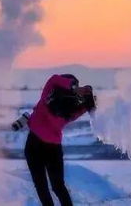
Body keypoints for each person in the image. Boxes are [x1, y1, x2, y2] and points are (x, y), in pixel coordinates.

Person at [25, 74, 96, 206]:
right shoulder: (51, 91)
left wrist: (88, 101)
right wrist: (77, 91)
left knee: (51, 186)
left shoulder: (67, 107)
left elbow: (85, 111)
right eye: (72, 85)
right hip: (41, 147)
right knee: (49, 186)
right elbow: (55, 79)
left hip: (43, 147)